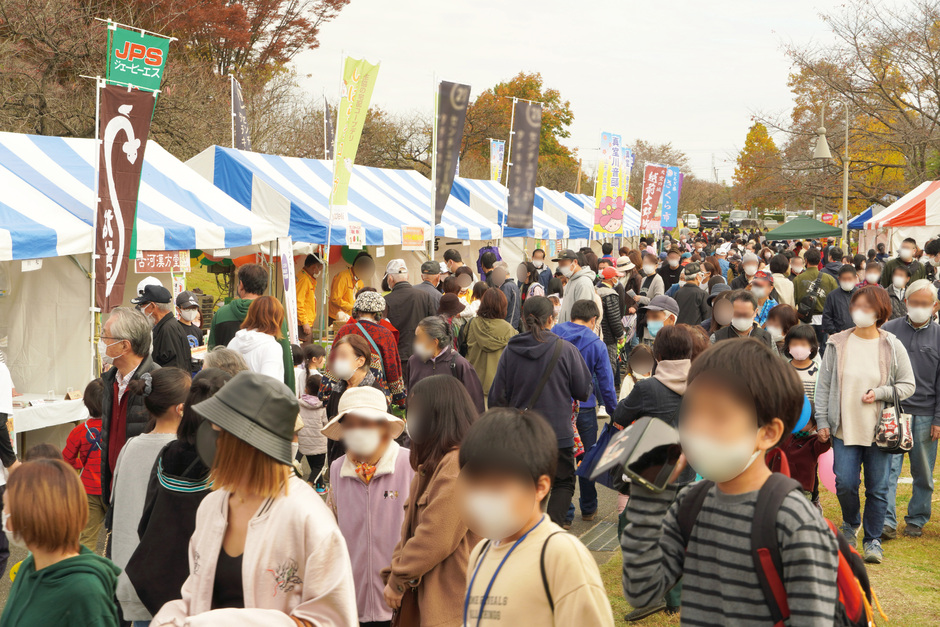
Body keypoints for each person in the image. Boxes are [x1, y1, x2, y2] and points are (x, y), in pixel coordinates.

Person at [621, 339, 839, 625]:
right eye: (692, 411)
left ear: (768, 433)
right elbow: (642, 591)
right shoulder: (690, 503)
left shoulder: (794, 520)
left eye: (718, 415)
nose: (697, 427)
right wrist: (648, 496)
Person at [152, 371, 358, 625]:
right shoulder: (213, 506)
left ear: (247, 443)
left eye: (219, 430)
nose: (209, 439)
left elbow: (332, 619)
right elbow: (196, 595)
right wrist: (171, 619)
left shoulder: (307, 517)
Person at [458, 408, 615, 627]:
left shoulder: (561, 555)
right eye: (476, 485)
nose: (483, 498)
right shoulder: (480, 552)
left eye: (496, 486)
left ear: (539, 488)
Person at [815, 285, 915, 563]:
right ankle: (850, 523)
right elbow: (823, 387)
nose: (860, 311)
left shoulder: (891, 344)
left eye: (868, 307)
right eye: (857, 305)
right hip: (843, 428)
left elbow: (908, 385)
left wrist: (880, 392)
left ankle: (872, 539)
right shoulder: (837, 342)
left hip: (880, 431)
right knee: (845, 482)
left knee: (878, 488)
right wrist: (822, 419)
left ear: (880, 311)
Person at [127, 368, 231, 618]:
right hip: (203, 597)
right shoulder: (225, 467)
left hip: (156, 584)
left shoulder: (168, 453)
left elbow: (146, 521)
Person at [382, 375, 478, 627]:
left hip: (450, 601)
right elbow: (409, 532)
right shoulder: (436, 464)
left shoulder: (456, 466)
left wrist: (398, 579)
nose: (409, 418)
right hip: (430, 595)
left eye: (415, 411)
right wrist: (395, 573)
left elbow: (435, 537)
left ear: (437, 415)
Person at [488, 297, 592, 525]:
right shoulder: (566, 350)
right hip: (559, 433)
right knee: (563, 483)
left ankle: (526, 530)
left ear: (523, 320)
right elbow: (583, 391)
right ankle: (550, 530)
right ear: (550, 320)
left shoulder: (510, 351)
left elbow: (496, 399)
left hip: (522, 434)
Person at [322, 387, 413, 627]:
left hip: (398, 597)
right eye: (350, 425)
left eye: (366, 423)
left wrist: (402, 581)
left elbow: (420, 532)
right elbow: (333, 529)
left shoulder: (409, 464)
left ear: (383, 426)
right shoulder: (337, 469)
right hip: (353, 600)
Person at [112, 367, 191, 627]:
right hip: (173, 584)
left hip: (133, 575)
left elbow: (118, 509)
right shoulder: (186, 453)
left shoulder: (130, 447)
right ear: (181, 408)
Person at [0, 459, 121, 627]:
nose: (4, 514)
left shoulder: (85, 591)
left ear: (29, 513)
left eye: (6, 506)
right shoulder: (29, 567)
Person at [882, 279, 940, 539]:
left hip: (927, 413)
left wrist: (938, 417)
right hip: (894, 410)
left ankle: (916, 519)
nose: (918, 307)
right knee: (888, 469)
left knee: (923, 471)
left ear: (934, 306)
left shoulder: (939, 335)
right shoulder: (888, 331)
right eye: (914, 303)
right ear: (906, 303)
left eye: (924, 304)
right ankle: (886, 520)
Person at [553, 300, 618, 525]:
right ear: (593, 320)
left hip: (557, 406)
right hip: (585, 407)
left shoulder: (553, 334)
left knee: (562, 460)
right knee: (587, 458)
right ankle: (588, 508)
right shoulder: (595, 343)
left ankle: (566, 512)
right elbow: (606, 384)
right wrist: (613, 411)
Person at [99, 307, 161, 505]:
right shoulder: (111, 381)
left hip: (143, 496)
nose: (101, 342)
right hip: (115, 490)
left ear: (124, 346)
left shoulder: (157, 383)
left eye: (105, 336)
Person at [207, 263, 294, 390]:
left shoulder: (221, 314)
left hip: (226, 392)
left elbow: (212, 354)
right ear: (264, 286)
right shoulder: (274, 314)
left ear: (241, 284)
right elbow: (286, 358)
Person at [332, 290, 406, 407]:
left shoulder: (344, 330)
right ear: (378, 314)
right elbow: (392, 368)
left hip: (344, 395)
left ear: (356, 311)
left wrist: (325, 392)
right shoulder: (385, 334)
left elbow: (332, 361)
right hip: (376, 396)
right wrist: (400, 399)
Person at [62, 378, 106, 551]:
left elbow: (67, 460)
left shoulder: (79, 431)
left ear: (86, 403)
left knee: (87, 536)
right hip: (113, 487)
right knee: (116, 534)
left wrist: (82, 463)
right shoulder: (118, 429)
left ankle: (85, 571)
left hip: (88, 489)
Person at [409, 316, 485, 414]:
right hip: (422, 425)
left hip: (451, 427)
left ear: (434, 342)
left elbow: (475, 404)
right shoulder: (414, 362)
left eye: (419, 339)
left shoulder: (459, 364)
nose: (416, 343)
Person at [382, 259, 439, 382]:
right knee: (422, 391)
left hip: (398, 356)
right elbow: (434, 325)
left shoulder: (386, 300)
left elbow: (383, 330)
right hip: (423, 353)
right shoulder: (424, 296)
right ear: (407, 276)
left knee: (401, 394)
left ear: (390, 279)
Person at [462, 288, 517, 396]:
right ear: (503, 307)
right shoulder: (510, 331)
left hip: (471, 385)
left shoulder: (472, 324)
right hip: (498, 389)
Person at [226, 295, 286, 382]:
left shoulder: (234, 341)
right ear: (277, 319)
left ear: (251, 314)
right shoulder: (272, 347)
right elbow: (270, 386)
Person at [133, 284, 192, 371]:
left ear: (153, 306)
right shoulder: (166, 326)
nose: (141, 308)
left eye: (142, 305)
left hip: (170, 382)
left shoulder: (168, 329)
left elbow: (174, 366)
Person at [793, 248, 838, 349]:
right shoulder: (829, 279)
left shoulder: (797, 279)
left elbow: (793, 301)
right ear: (819, 261)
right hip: (824, 320)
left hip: (805, 320)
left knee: (807, 348)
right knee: (823, 348)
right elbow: (835, 301)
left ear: (806, 260)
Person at [711, 289, 775, 351]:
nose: (741, 318)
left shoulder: (766, 338)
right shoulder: (717, 338)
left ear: (755, 312)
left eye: (746, 314)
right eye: (737, 314)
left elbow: (774, 361)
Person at [299, 373, 328, 493]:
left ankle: (320, 486)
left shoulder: (299, 403)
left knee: (313, 465)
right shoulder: (323, 406)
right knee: (319, 467)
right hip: (319, 443)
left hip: (304, 442)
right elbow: (326, 424)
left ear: (306, 389)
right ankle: (309, 485)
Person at [596, 266, 626, 382]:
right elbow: (614, 318)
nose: (617, 280)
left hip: (597, 334)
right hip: (608, 337)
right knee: (609, 367)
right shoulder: (610, 294)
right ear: (611, 279)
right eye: (616, 277)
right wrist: (620, 335)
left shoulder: (595, 290)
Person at [330, 252, 374, 323]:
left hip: (351, 318)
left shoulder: (360, 281)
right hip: (337, 317)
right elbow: (335, 299)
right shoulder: (342, 277)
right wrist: (352, 307)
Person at [553, 249, 595, 323]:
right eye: (560, 265)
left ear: (575, 262)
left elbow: (583, 315)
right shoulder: (571, 280)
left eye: (564, 264)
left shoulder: (583, 283)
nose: (562, 268)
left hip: (574, 331)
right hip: (567, 330)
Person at [823, 264, 859, 335]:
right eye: (844, 279)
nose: (847, 281)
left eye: (849, 279)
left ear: (855, 278)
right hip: (838, 337)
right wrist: (835, 332)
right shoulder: (832, 296)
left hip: (858, 335)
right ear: (839, 279)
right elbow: (827, 317)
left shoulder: (861, 294)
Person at [296, 253, 323, 343]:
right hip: (303, 324)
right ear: (314, 267)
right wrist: (304, 323)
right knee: (305, 351)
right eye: (320, 269)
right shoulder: (304, 279)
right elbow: (298, 302)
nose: (320, 271)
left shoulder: (308, 278)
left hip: (306, 321)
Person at [176, 291, 204, 373]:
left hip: (195, 370)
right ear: (178, 309)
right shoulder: (175, 328)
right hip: (181, 371)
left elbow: (199, 354)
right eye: (187, 308)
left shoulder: (198, 331)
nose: (191, 311)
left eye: (194, 308)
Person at [674, 262, 709, 326]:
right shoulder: (702, 294)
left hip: (679, 331)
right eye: (701, 275)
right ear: (697, 276)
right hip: (695, 332)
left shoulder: (677, 293)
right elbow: (707, 317)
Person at [489, 261, 521, 329]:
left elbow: (501, 308)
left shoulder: (507, 287)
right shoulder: (512, 285)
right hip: (511, 325)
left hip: (508, 326)